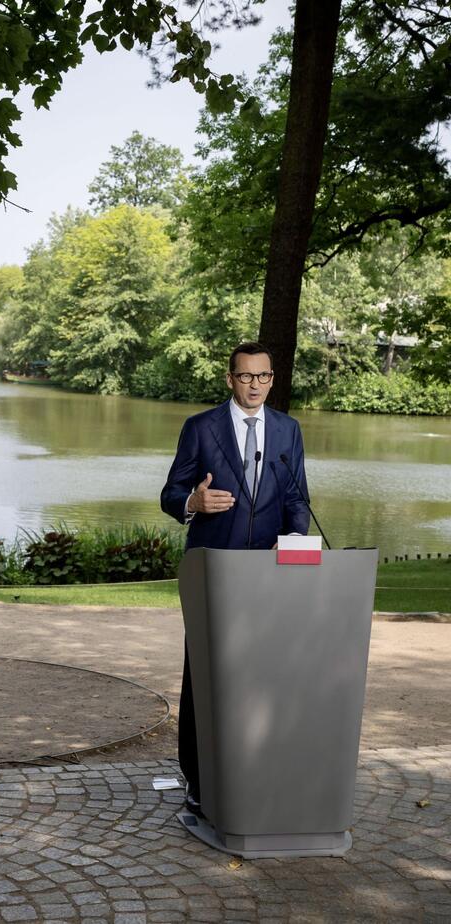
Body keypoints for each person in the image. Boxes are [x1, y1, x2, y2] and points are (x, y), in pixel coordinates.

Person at [160, 341, 311, 817]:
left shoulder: (288, 430)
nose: (255, 386)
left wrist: (291, 537)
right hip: (212, 569)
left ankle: (257, 770)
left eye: (263, 377)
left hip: (269, 571)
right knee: (203, 673)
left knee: (263, 671)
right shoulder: (201, 428)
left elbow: (298, 500)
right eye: (246, 377)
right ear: (230, 379)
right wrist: (193, 503)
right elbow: (170, 493)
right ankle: (199, 781)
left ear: (272, 379)